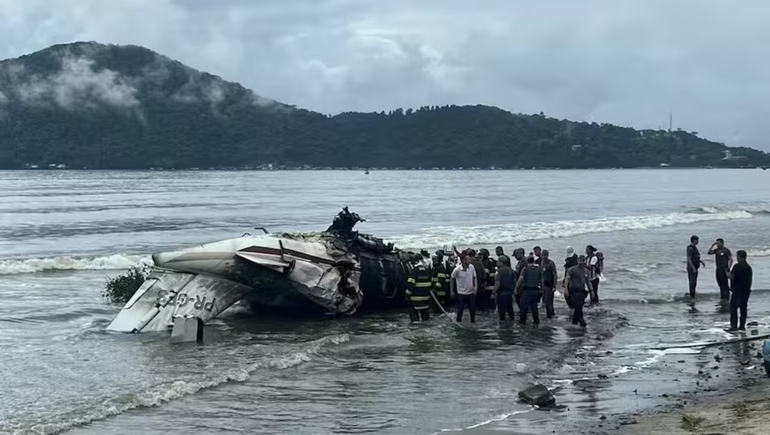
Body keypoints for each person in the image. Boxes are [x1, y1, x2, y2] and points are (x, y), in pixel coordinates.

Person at [565, 255, 593, 327]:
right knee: (578, 307)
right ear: (577, 261)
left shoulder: (586, 271)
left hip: (582, 291)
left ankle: (575, 323)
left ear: (584, 262)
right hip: (573, 291)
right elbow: (567, 279)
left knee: (579, 307)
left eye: (583, 261)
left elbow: (588, 282)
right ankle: (580, 322)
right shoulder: (572, 269)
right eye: (580, 260)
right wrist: (566, 290)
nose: (581, 262)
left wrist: (591, 291)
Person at [727, 250, 753, 331]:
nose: (736, 258)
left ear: (739, 256)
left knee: (733, 308)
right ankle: (742, 326)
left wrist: (726, 274)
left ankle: (734, 326)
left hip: (738, 290)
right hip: (746, 290)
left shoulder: (737, 266)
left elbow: (732, 277)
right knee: (743, 308)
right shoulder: (748, 267)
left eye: (737, 256)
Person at [515, 256, 543, 325]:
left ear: (527, 261)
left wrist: (516, 288)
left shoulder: (525, 269)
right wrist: (541, 289)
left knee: (524, 307)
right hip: (535, 290)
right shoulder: (538, 269)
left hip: (527, 290)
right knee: (534, 306)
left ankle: (522, 322)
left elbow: (521, 279)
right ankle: (536, 321)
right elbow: (541, 280)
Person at [451, 255, 477, 323]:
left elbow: (475, 277)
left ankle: (472, 323)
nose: (470, 261)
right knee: (460, 310)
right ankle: (458, 323)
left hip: (471, 292)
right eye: (468, 259)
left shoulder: (471, 267)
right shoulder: (457, 269)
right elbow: (452, 279)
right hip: (461, 293)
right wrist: (452, 291)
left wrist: (475, 287)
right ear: (463, 260)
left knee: (472, 310)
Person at [406, 257, 433, 322]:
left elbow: (410, 285)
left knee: (415, 321)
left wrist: (406, 296)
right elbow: (431, 285)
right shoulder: (427, 271)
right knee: (426, 320)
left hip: (415, 301)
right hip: (426, 301)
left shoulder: (414, 272)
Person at [493, 255, 516, 321]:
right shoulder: (510, 270)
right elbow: (514, 281)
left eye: (498, 261)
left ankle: (502, 326)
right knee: (510, 310)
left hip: (501, 294)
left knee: (501, 311)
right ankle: (512, 323)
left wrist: (493, 292)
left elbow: (497, 282)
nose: (497, 263)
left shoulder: (499, 271)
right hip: (509, 293)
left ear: (501, 262)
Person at [540, 249, 559, 319]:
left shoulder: (551, 263)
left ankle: (549, 316)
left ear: (547, 256)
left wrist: (554, 286)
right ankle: (552, 314)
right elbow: (541, 274)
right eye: (542, 256)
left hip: (550, 284)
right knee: (545, 301)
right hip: (544, 284)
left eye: (545, 256)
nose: (543, 257)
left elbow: (555, 275)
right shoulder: (542, 262)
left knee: (549, 302)